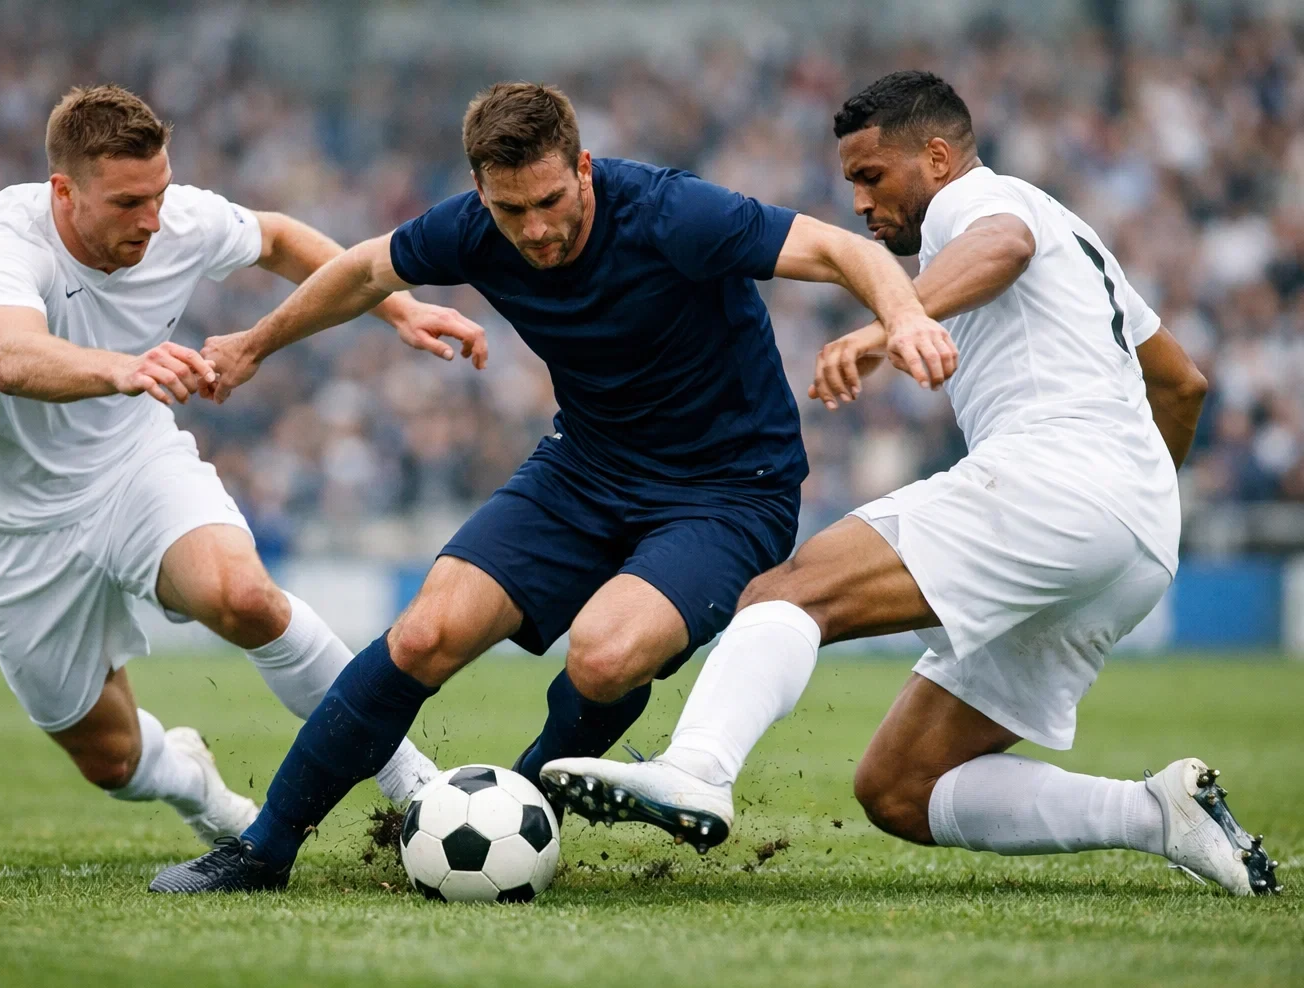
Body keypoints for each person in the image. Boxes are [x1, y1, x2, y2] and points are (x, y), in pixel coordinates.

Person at [148, 81, 954, 892]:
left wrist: (906, 317)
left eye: (549, 201)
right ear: (480, 193)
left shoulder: (673, 214)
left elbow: (841, 251)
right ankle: (263, 850)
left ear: (584, 169)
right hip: (584, 468)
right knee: (423, 635)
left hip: (728, 490)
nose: (534, 229)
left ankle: (528, 799)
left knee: (603, 659)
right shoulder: (470, 231)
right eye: (510, 210)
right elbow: (361, 271)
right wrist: (253, 344)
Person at [541, 71, 1280, 896]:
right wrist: (1131, 511)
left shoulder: (980, 202)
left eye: (871, 176)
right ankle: (1157, 815)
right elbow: (1182, 385)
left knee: (789, 591)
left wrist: (894, 320)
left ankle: (696, 770)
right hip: (1135, 541)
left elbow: (1004, 245)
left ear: (935, 157)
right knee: (901, 787)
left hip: (1058, 480)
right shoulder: (1078, 238)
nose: (860, 202)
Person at [0, 85, 477, 848]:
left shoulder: (179, 219)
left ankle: (418, 787)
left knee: (245, 598)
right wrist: (123, 367)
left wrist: (397, 307)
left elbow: (278, 238)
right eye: (127, 202)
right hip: (5, 522)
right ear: (63, 191)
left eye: (160, 192)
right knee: (111, 760)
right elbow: (12, 357)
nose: (152, 218)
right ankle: (204, 794)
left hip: (130, 465)